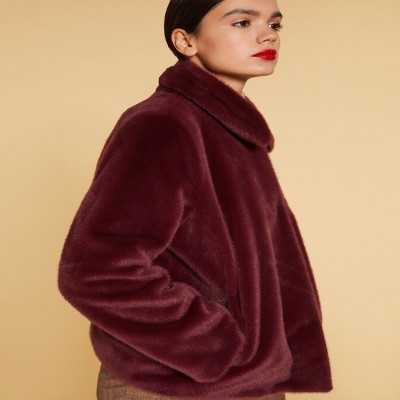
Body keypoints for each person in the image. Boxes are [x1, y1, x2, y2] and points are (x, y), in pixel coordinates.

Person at [58, 0, 332, 399]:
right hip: (175, 385)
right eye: (242, 22)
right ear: (185, 41)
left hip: (240, 381)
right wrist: (219, 346)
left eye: (275, 24)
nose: (267, 35)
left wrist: (262, 356)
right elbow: (95, 270)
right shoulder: (163, 125)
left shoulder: (231, 133)